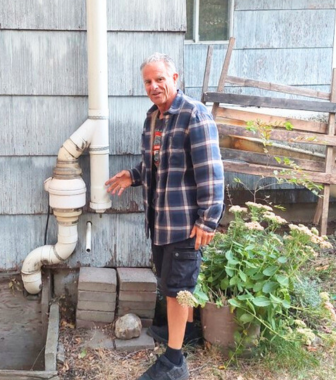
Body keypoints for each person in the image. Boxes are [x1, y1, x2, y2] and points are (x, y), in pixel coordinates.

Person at [105, 53, 224, 380]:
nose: (154, 86)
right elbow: (157, 165)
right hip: (160, 220)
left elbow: (211, 173)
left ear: (175, 78)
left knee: (176, 289)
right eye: (148, 81)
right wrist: (133, 174)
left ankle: (174, 362)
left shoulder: (194, 116)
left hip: (185, 223)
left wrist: (208, 219)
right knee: (172, 283)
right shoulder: (154, 118)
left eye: (160, 79)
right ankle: (183, 333)